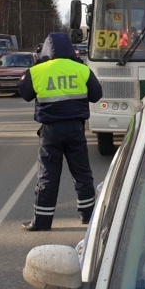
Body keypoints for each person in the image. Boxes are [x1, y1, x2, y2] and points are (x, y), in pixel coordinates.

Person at [18, 32, 103, 231]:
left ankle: (42, 222)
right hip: (75, 129)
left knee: (47, 175)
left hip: (50, 132)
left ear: (46, 49)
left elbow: (25, 94)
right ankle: (88, 216)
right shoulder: (82, 69)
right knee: (82, 174)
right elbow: (96, 95)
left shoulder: (36, 71)